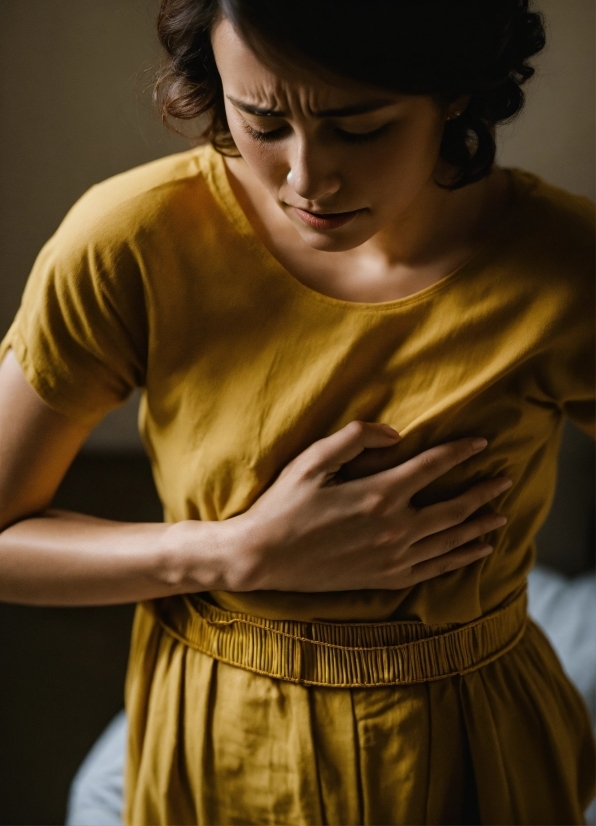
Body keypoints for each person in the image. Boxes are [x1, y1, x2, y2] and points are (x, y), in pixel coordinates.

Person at [0, 0, 593, 823]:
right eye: (263, 120)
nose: (308, 179)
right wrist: (229, 554)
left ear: (455, 94)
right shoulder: (131, 242)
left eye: (361, 129)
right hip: (216, 751)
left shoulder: (568, 266)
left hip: (477, 752)